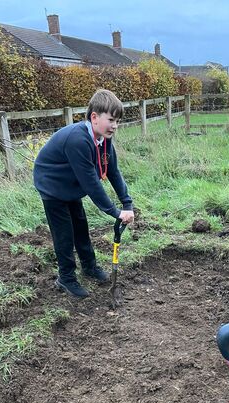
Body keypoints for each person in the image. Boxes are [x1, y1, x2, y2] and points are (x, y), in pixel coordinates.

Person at [33, 89, 134, 298]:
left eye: (118, 121)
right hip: (52, 185)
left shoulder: (104, 138)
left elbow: (112, 170)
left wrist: (127, 204)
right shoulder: (78, 140)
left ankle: (89, 267)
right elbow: (91, 183)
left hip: (71, 186)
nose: (115, 126)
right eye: (111, 120)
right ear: (94, 117)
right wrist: (115, 212)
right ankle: (66, 278)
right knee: (64, 235)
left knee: (81, 227)